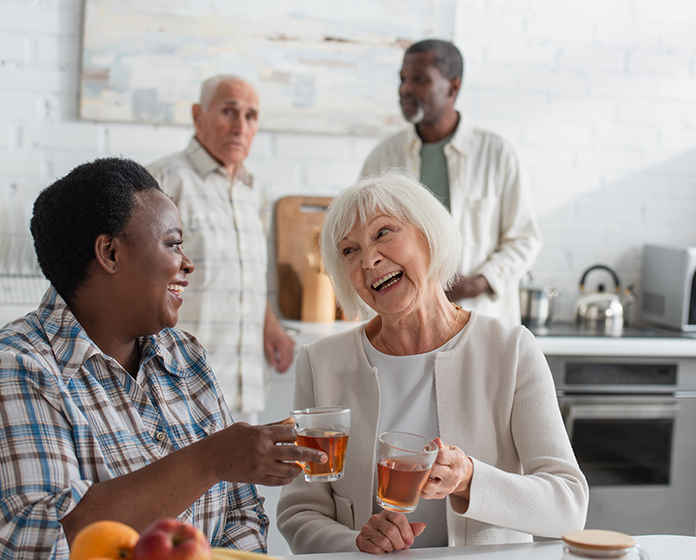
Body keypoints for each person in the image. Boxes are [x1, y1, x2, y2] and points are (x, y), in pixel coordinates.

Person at [0, 158, 326, 558]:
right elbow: (41, 543)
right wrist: (209, 460)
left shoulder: (185, 355)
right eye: (173, 244)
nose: (187, 263)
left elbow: (243, 516)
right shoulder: (19, 367)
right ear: (110, 253)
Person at [276, 171, 587, 554]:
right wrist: (355, 543)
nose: (369, 259)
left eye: (383, 233)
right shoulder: (321, 362)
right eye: (349, 251)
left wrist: (469, 479)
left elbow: (568, 507)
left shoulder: (510, 350)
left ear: (429, 233)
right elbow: (299, 512)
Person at [360, 39, 542, 327]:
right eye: (403, 79)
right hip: (404, 323)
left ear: (453, 87)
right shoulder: (383, 157)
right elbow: (364, 237)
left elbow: (523, 238)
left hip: (480, 319)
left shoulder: (496, 154)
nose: (405, 89)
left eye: (419, 79)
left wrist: (479, 283)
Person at [147, 75, 294, 421]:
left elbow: (249, 276)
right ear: (198, 115)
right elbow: (139, 282)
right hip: (181, 386)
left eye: (251, 116)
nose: (241, 126)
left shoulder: (254, 191)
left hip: (246, 387)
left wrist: (269, 325)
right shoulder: (162, 183)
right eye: (229, 112)